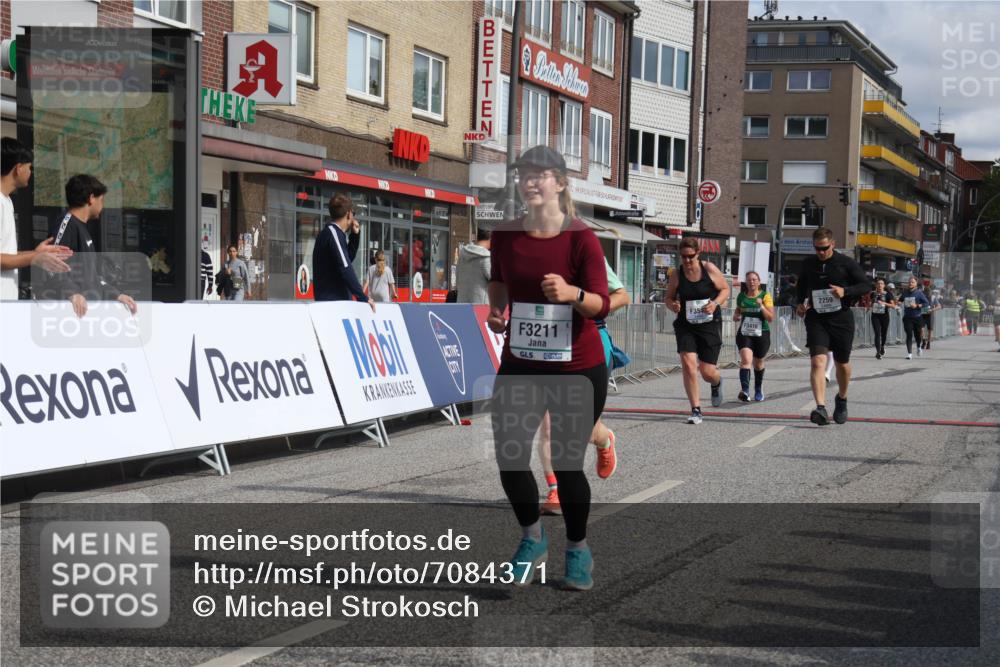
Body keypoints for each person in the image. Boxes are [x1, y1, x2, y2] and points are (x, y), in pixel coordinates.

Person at [487, 145, 610, 591]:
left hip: (577, 365)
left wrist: (572, 294)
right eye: (525, 175)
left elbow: (602, 306)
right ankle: (531, 538)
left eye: (541, 174)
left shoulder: (582, 239)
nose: (531, 181)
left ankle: (577, 550)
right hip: (521, 362)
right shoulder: (504, 235)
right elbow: (499, 283)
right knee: (510, 458)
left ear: (560, 182)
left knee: (566, 464)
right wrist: (497, 312)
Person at [539, 257, 629, 515]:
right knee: (548, 422)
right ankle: (555, 489)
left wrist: (591, 305)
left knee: (582, 429)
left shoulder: (589, 254)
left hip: (590, 342)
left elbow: (622, 295)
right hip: (548, 344)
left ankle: (604, 440)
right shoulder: (530, 252)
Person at [795, 227, 871, 426]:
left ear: (833, 244)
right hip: (817, 318)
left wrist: (845, 291)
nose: (820, 252)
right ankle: (820, 408)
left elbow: (865, 285)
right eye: (817, 248)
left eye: (824, 248)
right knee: (817, 362)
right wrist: (799, 304)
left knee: (842, 364)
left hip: (841, 319)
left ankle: (842, 398)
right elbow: (801, 287)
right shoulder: (808, 264)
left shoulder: (846, 263)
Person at [45, 175, 137, 318]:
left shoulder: (82, 228)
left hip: (89, 314)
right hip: (70, 316)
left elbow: (91, 277)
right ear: (91, 198)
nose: (103, 205)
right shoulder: (67, 223)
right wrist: (72, 293)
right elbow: (50, 265)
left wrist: (116, 294)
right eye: (101, 200)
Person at [665, 237, 731, 424]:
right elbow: (668, 298)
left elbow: (725, 289)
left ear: (698, 254)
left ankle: (717, 382)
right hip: (686, 325)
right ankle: (696, 410)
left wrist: (715, 303)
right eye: (683, 257)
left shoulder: (708, 269)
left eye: (690, 257)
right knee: (688, 364)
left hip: (709, 324)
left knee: (707, 371)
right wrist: (673, 305)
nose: (686, 261)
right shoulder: (677, 275)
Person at [1, 137, 72, 300]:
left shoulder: (7, 201)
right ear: (18, 168)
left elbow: (5, 253)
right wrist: (34, 257)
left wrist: (35, 253)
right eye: (29, 167)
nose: (31, 173)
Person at [312, 194, 374, 311]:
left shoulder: (333, 233)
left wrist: (355, 236)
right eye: (353, 214)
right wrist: (363, 297)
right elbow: (345, 267)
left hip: (331, 300)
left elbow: (347, 259)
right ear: (349, 214)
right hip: (333, 301)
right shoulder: (333, 234)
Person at [734, 270, 774, 402]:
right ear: (745, 282)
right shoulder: (741, 296)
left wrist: (761, 306)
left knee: (758, 364)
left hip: (761, 333)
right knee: (746, 360)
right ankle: (745, 391)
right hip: (745, 333)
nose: (751, 282)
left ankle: (758, 389)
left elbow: (770, 318)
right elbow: (738, 310)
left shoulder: (765, 296)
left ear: (758, 282)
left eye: (754, 280)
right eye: (749, 280)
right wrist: (736, 315)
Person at [457, 226, 491, 304]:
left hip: (462, 305)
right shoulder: (486, 258)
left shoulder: (463, 254)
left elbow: (457, 278)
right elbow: (499, 282)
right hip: (481, 309)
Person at [898, 277, 929, 359]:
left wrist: (917, 305)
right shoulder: (905, 293)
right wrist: (898, 302)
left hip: (917, 317)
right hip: (907, 317)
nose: (910, 283)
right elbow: (900, 300)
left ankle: (919, 347)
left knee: (917, 335)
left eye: (912, 282)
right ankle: (909, 354)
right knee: (909, 335)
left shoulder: (919, 293)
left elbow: (926, 303)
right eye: (909, 282)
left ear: (916, 283)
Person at [869, 278, 896, 359]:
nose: (880, 285)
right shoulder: (873, 294)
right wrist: (870, 305)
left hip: (884, 316)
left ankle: (882, 346)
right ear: (876, 285)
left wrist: (884, 303)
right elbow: (871, 303)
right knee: (877, 333)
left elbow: (893, 305)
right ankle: (878, 352)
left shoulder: (888, 294)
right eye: (878, 283)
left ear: (884, 285)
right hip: (875, 316)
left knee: (883, 334)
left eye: (881, 283)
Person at [776, 274, 803, 354]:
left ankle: (780, 347)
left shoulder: (784, 287)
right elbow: (789, 301)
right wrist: (795, 307)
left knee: (783, 329)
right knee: (784, 328)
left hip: (782, 310)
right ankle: (791, 345)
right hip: (784, 310)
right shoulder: (791, 289)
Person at [992, 285, 1000, 351]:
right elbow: (991, 304)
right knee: (997, 330)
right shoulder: (994, 297)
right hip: (996, 315)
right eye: (998, 289)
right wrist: (991, 307)